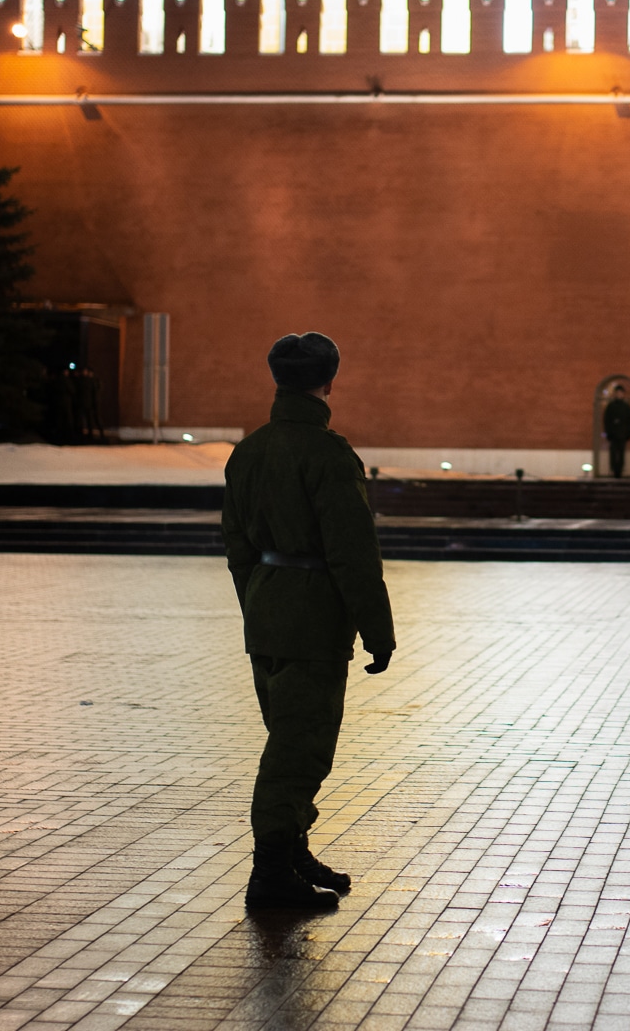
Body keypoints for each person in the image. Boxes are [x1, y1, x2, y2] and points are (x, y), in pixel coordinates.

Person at [221, 332, 396, 911]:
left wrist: (259, 603)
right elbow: (353, 552)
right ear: (328, 383)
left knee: (289, 738)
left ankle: (292, 850)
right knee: (299, 753)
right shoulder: (328, 455)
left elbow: (237, 545)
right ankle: (270, 874)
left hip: (267, 614)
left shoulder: (249, 451)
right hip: (313, 622)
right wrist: (377, 627)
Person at [603, 384, 630, 478]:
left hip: (622, 434)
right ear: (615, 394)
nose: (619, 395)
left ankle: (619, 471)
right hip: (613, 434)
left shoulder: (626, 407)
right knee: (613, 453)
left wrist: (629, 433)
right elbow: (606, 420)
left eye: (621, 393)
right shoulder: (611, 406)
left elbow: (629, 421)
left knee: (621, 453)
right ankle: (613, 470)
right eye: (618, 393)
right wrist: (608, 432)